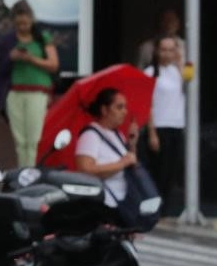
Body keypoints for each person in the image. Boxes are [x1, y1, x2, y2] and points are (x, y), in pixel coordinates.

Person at [5, 0, 59, 168]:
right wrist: (11, 57)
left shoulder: (41, 39)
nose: (23, 27)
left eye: (26, 23)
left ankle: (31, 172)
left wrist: (31, 59)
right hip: (15, 91)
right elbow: (0, 66)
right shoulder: (10, 40)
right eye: (19, 23)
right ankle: (22, 171)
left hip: (37, 91)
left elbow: (53, 64)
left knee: (33, 139)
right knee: (20, 140)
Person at [145, 35, 189, 216]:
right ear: (157, 51)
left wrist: (180, 62)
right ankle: (157, 208)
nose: (167, 54)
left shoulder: (179, 71)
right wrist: (152, 132)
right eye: (164, 49)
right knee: (159, 170)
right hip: (160, 125)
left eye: (171, 49)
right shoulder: (150, 72)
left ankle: (167, 207)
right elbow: (147, 104)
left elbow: (190, 84)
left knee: (172, 170)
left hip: (176, 125)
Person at [73, 87, 139, 207]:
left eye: (125, 107)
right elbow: (85, 170)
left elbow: (130, 164)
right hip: (104, 204)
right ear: (104, 110)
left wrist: (132, 144)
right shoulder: (90, 135)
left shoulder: (118, 134)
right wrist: (122, 163)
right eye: (119, 107)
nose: (125, 111)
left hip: (123, 203)